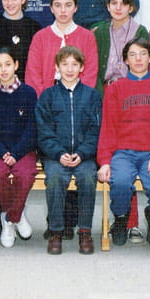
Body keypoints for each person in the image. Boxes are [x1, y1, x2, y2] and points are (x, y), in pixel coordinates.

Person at [97, 38, 150, 247]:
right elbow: (108, 127)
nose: (138, 59)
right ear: (126, 61)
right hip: (123, 152)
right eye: (132, 55)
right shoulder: (115, 89)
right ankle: (121, 219)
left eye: (143, 54)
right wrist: (105, 161)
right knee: (120, 182)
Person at [36, 46, 102, 255]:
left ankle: (85, 232)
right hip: (55, 156)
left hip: (85, 156)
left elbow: (96, 130)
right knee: (55, 178)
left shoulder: (92, 96)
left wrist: (82, 153)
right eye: (65, 64)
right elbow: (43, 131)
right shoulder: (48, 96)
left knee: (88, 178)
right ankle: (56, 231)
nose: (70, 69)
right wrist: (58, 153)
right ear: (57, 67)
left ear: (82, 67)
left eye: (75, 64)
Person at [0, 48, 38, 249]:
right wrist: (2, 152)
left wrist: (16, 153)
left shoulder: (28, 92)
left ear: (16, 65)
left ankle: (9, 217)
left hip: (23, 149)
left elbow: (32, 128)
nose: (4, 70)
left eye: (8, 64)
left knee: (26, 174)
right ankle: (16, 214)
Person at [25, 0, 98, 95]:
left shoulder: (88, 37)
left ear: (75, 8)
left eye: (68, 5)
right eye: (58, 5)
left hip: (78, 99)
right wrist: (46, 99)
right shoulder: (39, 37)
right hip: (46, 99)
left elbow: (90, 74)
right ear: (51, 8)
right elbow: (33, 75)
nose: (63, 10)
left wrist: (76, 98)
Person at [94, 0, 148, 93]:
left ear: (131, 8)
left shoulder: (140, 32)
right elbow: (94, 69)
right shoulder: (100, 32)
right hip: (105, 90)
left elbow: (144, 68)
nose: (118, 8)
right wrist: (100, 95)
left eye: (123, 3)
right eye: (114, 3)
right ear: (108, 6)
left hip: (131, 90)